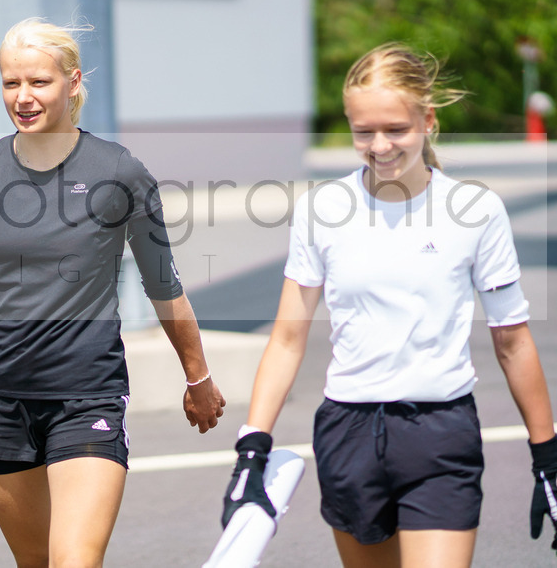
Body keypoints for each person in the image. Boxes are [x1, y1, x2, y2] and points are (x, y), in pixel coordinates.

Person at [221, 42, 557, 567]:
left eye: (395, 129)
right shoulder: (322, 210)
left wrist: (548, 455)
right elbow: (287, 339)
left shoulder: (475, 210)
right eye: (363, 131)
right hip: (348, 434)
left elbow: (512, 340)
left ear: (427, 120)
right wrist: (252, 446)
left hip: (441, 434)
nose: (379, 145)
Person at [0, 17, 225, 567]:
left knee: (74, 560)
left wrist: (197, 376)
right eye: (12, 83)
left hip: (88, 393)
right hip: (1, 394)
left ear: (73, 82)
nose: (23, 97)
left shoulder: (119, 171)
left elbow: (164, 286)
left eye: (38, 82)